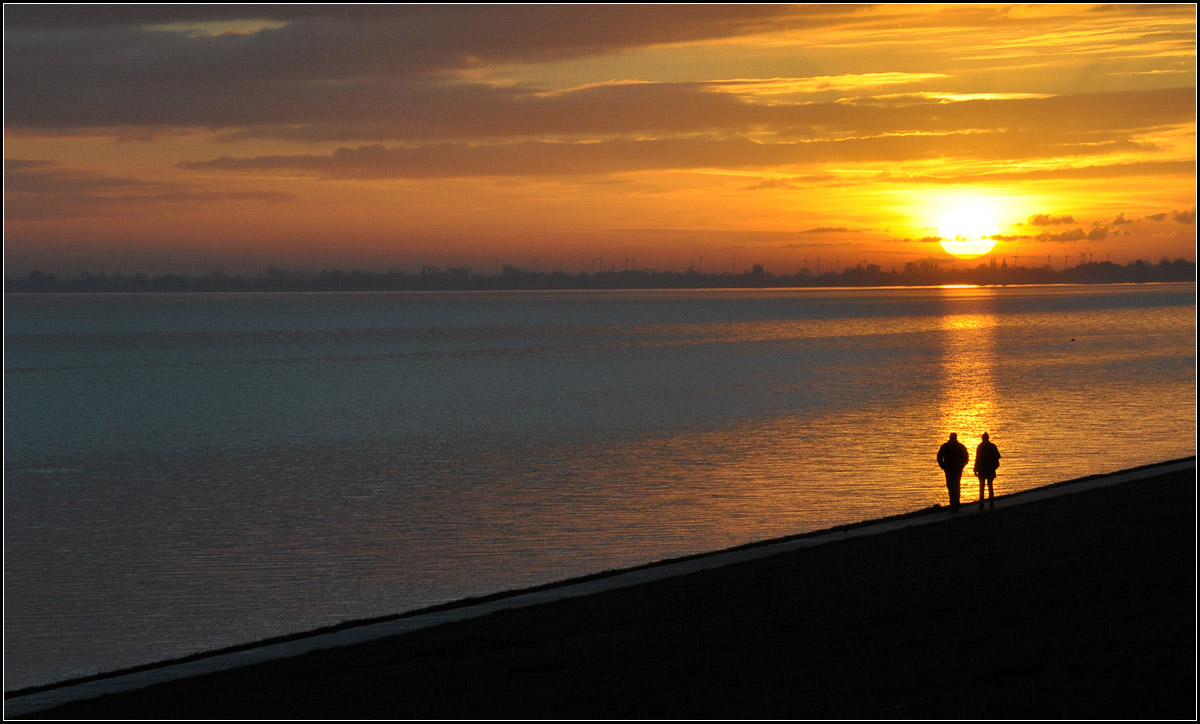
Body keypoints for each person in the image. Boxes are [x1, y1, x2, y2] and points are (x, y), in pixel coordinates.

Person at [937, 432, 970, 511]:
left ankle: (955, 502)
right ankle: (954, 502)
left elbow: (966, 458)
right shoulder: (949, 446)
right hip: (950, 469)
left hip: (954, 469)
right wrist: (943, 466)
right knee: (953, 485)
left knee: (953, 485)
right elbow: (939, 457)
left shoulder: (953, 446)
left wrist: (961, 466)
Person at [974, 432, 1002, 509]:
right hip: (990, 469)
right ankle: (991, 502)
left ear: (982, 438)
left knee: (982, 487)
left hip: (983, 469)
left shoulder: (980, 447)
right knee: (990, 486)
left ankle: (982, 503)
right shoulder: (992, 446)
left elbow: (977, 459)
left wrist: (975, 469)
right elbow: (998, 456)